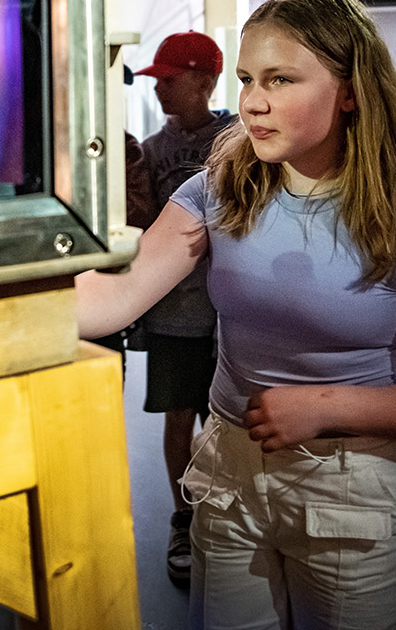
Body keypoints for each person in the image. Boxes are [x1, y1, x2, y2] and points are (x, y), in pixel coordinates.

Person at [76, 0, 396, 630]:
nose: (252, 101)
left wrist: (327, 407)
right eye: (247, 79)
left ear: (350, 90)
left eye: (280, 79)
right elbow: (112, 298)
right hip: (230, 475)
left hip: (351, 482)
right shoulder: (217, 191)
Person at [130, 30, 238, 586]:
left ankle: (222, 519)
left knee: (224, 422)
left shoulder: (238, 139)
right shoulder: (152, 150)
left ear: (205, 82)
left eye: (170, 80)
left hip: (228, 312)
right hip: (174, 310)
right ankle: (183, 518)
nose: (160, 90)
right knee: (178, 416)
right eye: (157, 82)